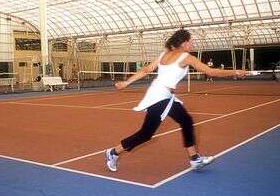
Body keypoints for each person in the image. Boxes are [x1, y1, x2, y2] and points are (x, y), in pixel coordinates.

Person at [105, 29, 248, 172]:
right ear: (184, 43)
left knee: (186, 120)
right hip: (160, 96)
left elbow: (146, 70)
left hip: (163, 94)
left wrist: (126, 83)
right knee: (146, 133)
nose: (192, 43)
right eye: (190, 41)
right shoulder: (186, 57)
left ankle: (194, 159)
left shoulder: (164, 55)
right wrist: (235, 72)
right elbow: (210, 72)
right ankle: (113, 152)